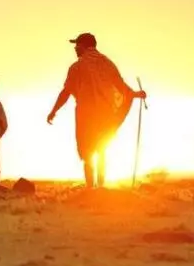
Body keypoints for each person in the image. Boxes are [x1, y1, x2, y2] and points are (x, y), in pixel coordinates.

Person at [46, 33, 146, 189]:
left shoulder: (77, 67)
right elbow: (121, 87)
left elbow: (66, 92)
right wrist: (135, 94)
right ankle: (100, 187)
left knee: (87, 151)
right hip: (105, 115)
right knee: (102, 149)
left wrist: (53, 111)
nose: (75, 48)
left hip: (86, 115)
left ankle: (90, 188)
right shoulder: (108, 63)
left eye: (77, 45)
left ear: (84, 45)